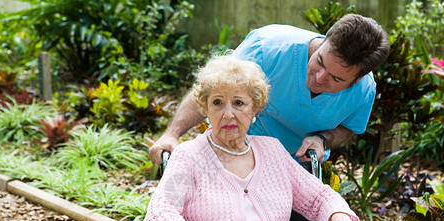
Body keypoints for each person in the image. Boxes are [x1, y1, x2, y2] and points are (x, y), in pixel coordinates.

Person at [142, 55, 375, 221]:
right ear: (206, 108)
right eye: (218, 103)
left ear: (255, 108)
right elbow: (159, 215)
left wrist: (338, 217)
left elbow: (319, 196)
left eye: (239, 103)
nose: (228, 114)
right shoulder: (188, 157)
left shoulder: (272, 151)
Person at [148, 14, 390, 165]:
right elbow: (211, 88)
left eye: (335, 78)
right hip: (234, 150)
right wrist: (173, 134)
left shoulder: (364, 90)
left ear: (357, 79)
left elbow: (346, 128)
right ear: (323, 40)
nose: (318, 78)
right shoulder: (267, 48)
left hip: (295, 164)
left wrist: (321, 139)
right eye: (319, 61)